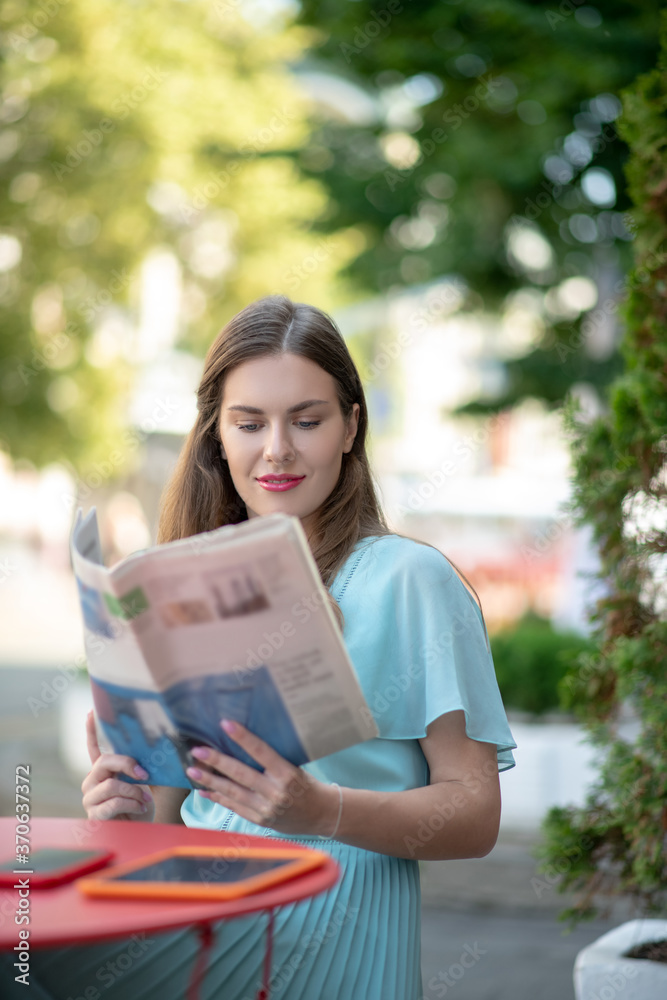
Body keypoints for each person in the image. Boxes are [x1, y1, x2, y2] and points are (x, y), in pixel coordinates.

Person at [3, 295, 516, 1000]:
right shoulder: (182, 580)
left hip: (336, 922)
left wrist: (321, 811)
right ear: (217, 434)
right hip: (192, 907)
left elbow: (473, 813)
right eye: (249, 423)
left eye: (306, 421)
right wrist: (120, 815)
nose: (276, 448)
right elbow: (171, 812)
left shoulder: (410, 580)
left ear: (349, 428)